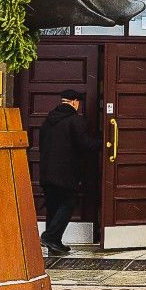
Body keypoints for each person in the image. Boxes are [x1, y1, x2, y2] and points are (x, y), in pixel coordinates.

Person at [37, 89, 98, 256]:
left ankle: (54, 244)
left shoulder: (48, 121)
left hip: (47, 172)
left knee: (53, 207)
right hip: (66, 173)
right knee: (68, 203)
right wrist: (103, 143)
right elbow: (85, 144)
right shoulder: (76, 121)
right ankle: (50, 236)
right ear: (74, 102)